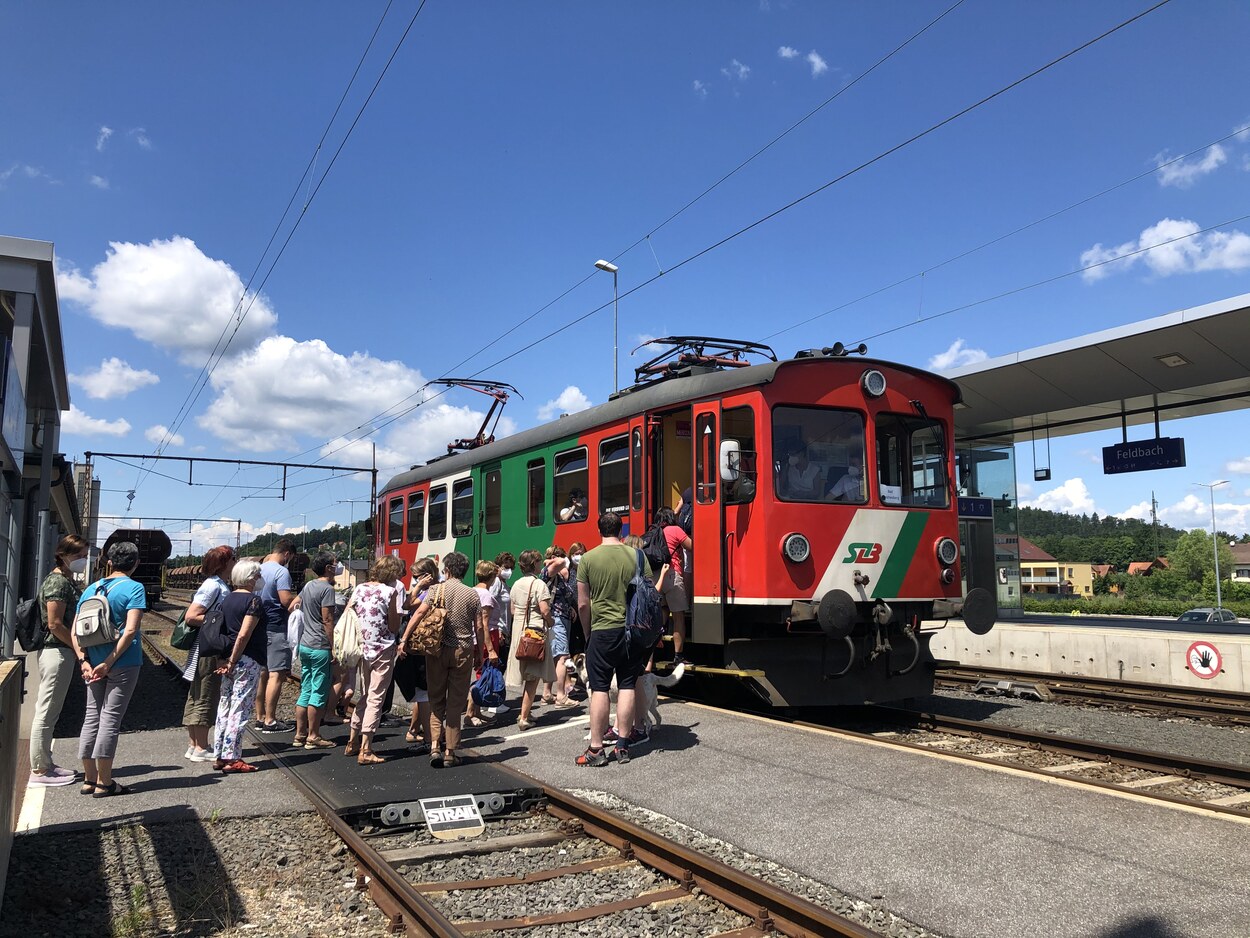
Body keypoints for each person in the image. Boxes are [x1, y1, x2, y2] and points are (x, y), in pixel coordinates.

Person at [400, 551, 496, 768]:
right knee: (455, 702)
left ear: (448, 570)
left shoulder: (436, 589)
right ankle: (451, 752)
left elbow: (418, 614)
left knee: (435, 699)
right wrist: (480, 653)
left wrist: (404, 639)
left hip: (436, 650)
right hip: (462, 651)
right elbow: (479, 627)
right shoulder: (472, 595)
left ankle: (435, 745)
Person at [71, 540, 147, 797]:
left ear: (109, 562)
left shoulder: (91, 589)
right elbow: (131, 630)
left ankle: (89, 780)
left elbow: (75, 630)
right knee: (110, 719)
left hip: (91, 664)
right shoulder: (135, 588)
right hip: (122, 663)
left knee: (92, 717)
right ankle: (105, 782)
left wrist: (84, 661)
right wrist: (110, 662)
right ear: (135, 563)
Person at [575, 511, 647, 767]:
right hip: (631, 631)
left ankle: (596, 749)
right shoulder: (637, 555)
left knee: (600, 688)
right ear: (621, 530)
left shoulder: (588, 558)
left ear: (599, 530)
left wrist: (587, 633)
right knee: (627, 685)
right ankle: (623, 746)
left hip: (602, 631)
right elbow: (647, 593)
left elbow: (583, 604)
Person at [27, 534, 90, 787]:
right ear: (63, 555)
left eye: (85, 556)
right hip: (57, 652)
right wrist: (77, 648)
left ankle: (46, 763)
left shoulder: (63, 580)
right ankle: (40, 771)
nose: (83, 561)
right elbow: (54, 624)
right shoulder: (58, 583)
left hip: (57, 652)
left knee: (49, 710)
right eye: (78, 556)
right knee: (47, 711)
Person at [344, 555, 404, 765]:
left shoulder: (359, 589)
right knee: (376, 698)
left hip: (362, 649)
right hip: (383, 649)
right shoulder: (391, 592)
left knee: (365, 695)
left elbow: (348, 613)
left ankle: (352, 741)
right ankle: (366, 749)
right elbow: (395, 626)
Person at [211, 561, 267, 773]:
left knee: (224, 705)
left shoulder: (226, 600)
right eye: (258, 575)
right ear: (251, 577)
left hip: (227, 660)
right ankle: (232, 757)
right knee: (240, 707)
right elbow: (244, 634)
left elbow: (221, 632)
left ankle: (219, 754)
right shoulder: (254, 602)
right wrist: (234, 660)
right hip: (246, 660)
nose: (260, 578)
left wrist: (224, 660)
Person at [181, 545, 235, 763]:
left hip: (203, 647)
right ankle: (201, 747)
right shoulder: (213, 586)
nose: (234, 564)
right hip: (208, 649)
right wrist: (219, 620)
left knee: (196, 695)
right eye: (232, 560)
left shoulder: (215, 584)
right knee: (206, 694)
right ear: (224, 563)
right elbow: (192, 616)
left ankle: (194, 745)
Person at [293, 552, 339, 749]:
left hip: (305, 644)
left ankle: (299, 735)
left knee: (306, 689)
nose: (337, 567)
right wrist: (333, 646)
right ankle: (313, 735)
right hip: (320, 645)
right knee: (319, 692)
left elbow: (294, 605)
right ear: (328, 568)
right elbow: (327, 619)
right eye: (335, 564)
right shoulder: (327, 589)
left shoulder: (309, 585)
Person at [507, 550, 555, 732]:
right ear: (534, 563)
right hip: (534, 632)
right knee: (533, 676)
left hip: (519, 630)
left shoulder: (516, 584)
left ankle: (525, 712)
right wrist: (551, 621)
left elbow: (512, 610)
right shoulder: (539, 584)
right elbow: (544, 610)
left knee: (526, 672)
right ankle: (524, 717)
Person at [395, 558, 438, 752]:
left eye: (417, 576)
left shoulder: (429, 591)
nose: (415, 580)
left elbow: (407, 605)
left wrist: (419, 586)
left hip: (422, 644)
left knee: (423, 691)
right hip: (424, 644)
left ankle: (421, 732)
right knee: (424, 692)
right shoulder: (428, 590)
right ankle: (422, 733)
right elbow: (407, 606)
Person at [256, 538, 298, 732]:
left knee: (262, 673)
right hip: (276, 625)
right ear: (287, 554)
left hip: (258, 626)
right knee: (276, 674)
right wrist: (299, 599)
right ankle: (270, 720)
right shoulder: (282, 572)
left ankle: (259, 716)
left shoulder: (259, 569)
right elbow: (285, 600)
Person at [653, 507, 693, 662]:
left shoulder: (654, 531)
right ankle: (678, 655)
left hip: (656, 577)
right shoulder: (675, 530)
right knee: (678, 617)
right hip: (671, 574)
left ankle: (653, 651)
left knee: (662, 611)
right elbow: (692, 546)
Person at [541, 546, 579, 706]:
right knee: (562, 657)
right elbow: (562, 561)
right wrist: (557, 560)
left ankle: (547, 694)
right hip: (556, 621)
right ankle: (561, 696)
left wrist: (570, 607)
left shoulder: (559, 578)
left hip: (561, 619)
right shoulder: (548, 573)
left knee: (554, 657)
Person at [467, 560, 500, 727]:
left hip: (474, 638)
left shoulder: (472, 591)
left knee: (482, 673)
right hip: (486, 639)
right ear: (492, 576)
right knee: (483, 675)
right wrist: (491, 648)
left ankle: (477, 711)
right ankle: (471, 712)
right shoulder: (485, 595)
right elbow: (484, 624)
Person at [489, 553, 515, 673]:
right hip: (498, 630)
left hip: (504, 631)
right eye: (505, 567)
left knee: (501, 666)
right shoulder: (497, 583)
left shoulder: (505, 585)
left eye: (510, 567)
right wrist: (497, 629)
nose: (508, 570)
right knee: (498, 666)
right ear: (497, 567)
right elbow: (490, 603)